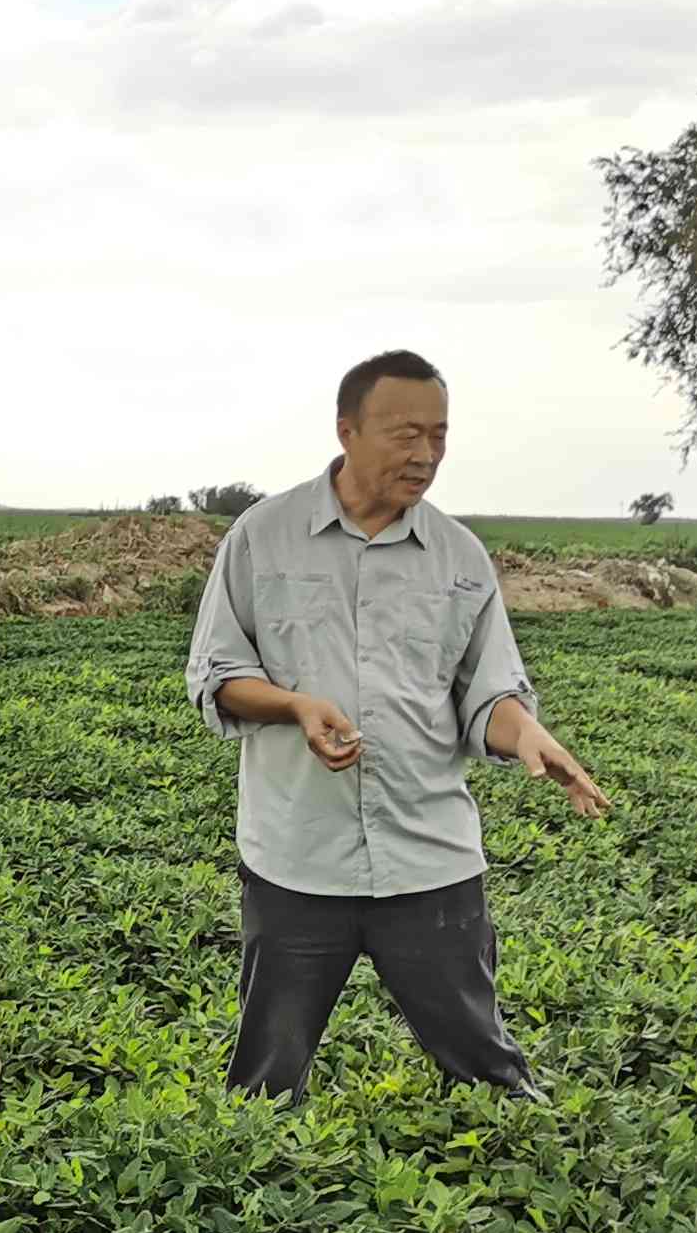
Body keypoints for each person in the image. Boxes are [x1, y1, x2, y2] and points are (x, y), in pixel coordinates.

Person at [184, 349, 609, 1100]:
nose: (426, 454)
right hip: (296, 856)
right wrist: (295, 705)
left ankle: (536, 1171)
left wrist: (529, 735)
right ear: (347, 429)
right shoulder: (261, 537)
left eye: (439, 435)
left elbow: (489, 695)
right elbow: (218, 675)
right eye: (405, 433)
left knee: (488, 1071)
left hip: (429, 859)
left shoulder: (459, 557)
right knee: (265, 1081)